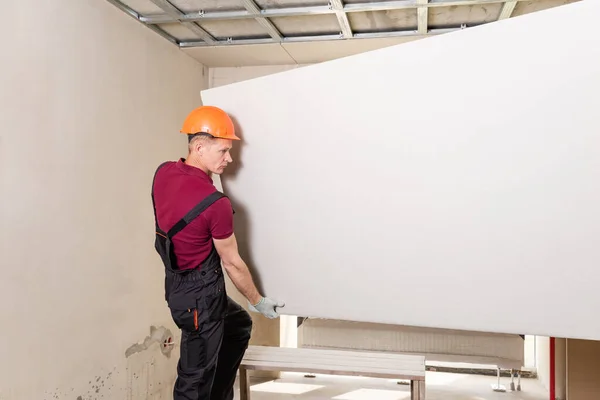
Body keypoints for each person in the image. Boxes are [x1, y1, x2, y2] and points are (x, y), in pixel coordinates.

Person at [151, 105, 284, 400]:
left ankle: (219, 396)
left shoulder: (163, 173)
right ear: (199, 147)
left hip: (178, 290)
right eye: (223, 150)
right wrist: (258, 301)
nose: (230, 158)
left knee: (237, 325)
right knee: (194, 382)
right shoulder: (215, 204)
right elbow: (232, 263)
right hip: (200, 300)